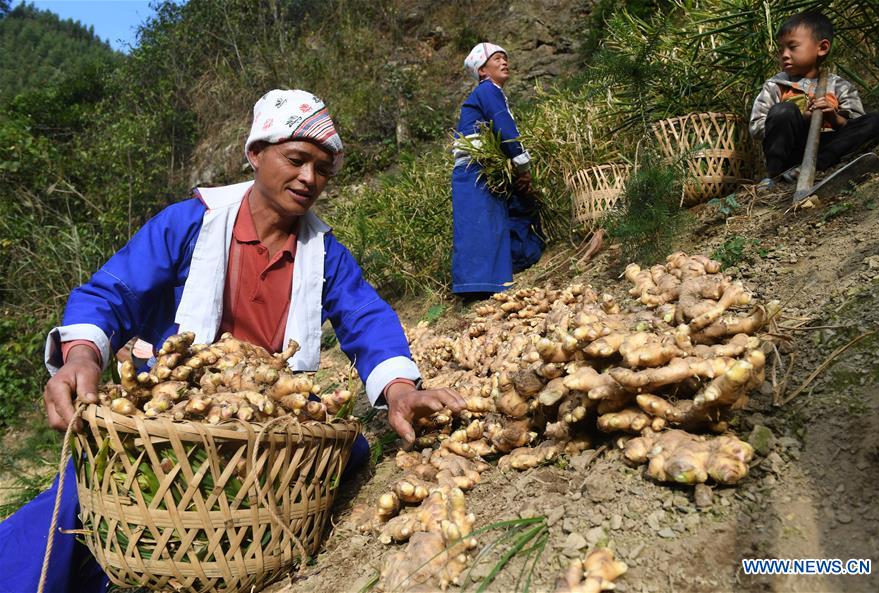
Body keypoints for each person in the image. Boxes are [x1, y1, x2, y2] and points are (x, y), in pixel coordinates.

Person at [0, 89, 465, 593]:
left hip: (261, 419)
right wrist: (82, 355)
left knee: (344, 450)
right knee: (82, 499)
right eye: (296, 159)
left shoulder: (323, 251)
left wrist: (400, 389)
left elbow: (365, 316)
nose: (310, 178)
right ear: (254, 154)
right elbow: (112, 292)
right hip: (170, 413)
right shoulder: (189, 223)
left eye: (324, 168)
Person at [451, 42, 544, 300]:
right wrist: (522, 165)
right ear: (482, 70)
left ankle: (507, 270)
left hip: (485, 169)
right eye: (498, 59)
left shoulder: (493, 94)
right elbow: (504, 128)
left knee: (494, 220)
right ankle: (478, 288)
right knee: (479, 225)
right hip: (473, 170)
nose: (505, 62)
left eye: (506, 58)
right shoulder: (487, 92)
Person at [750, 12, 879, 187]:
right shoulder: (775, 85)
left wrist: (833, 118)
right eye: (781, 49)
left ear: (822, 48)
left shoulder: (839, 86)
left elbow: (855, 122)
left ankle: (814, 167)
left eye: (792, 47)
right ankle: (776, 175)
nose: (784, 54)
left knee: (875, 121)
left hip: (827, 148)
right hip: (791, 151)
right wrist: (802, 118)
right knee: (783, 111)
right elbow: (756, 127)